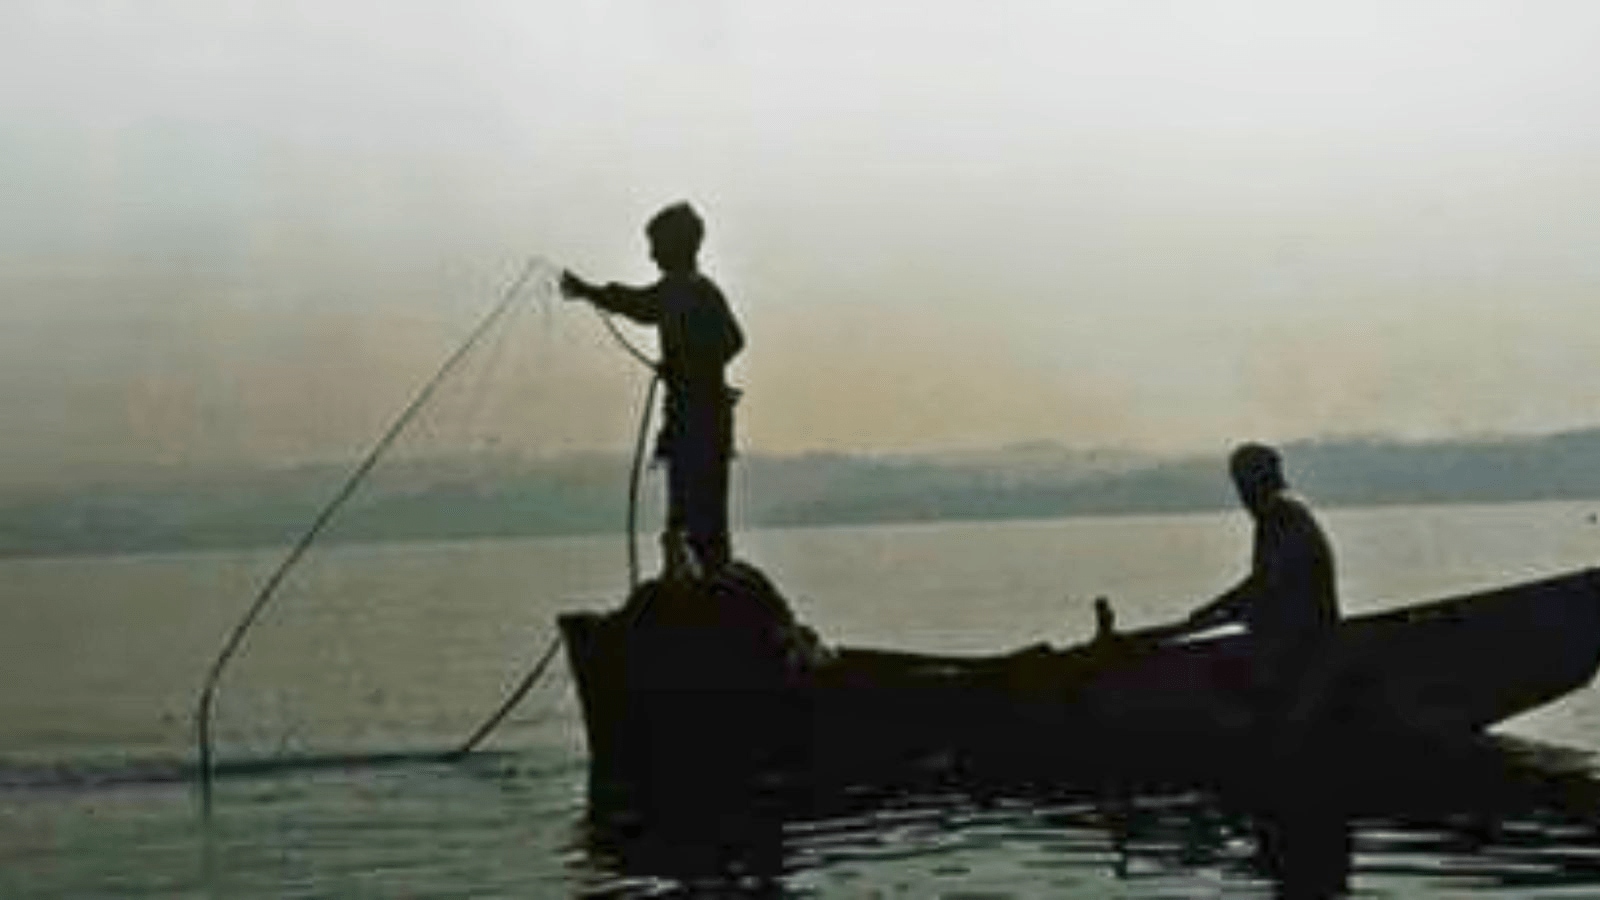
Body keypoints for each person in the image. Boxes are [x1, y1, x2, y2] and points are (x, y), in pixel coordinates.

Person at [561, 202, 745, 578]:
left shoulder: (687, 290)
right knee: (696, 517)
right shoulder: (692, 290)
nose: (652, 255)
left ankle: (702, 591)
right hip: (699, 420)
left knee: (694, 519)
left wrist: (586, 291)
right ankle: (701, 585)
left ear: (678, 246)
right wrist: (686, 366)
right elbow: (646, 307)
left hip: (698, 422)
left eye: (657, 246)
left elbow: (643, 305)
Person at [1185, 443, 1339, 738]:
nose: (1242, 496)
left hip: (1299, 645)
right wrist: (1218, 609)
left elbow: (1269, 583)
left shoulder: (1279, 514)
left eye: (1243, 484)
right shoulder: (1288, 510)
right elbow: (1266, 583)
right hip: (1300, 639)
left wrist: (1214, 610)